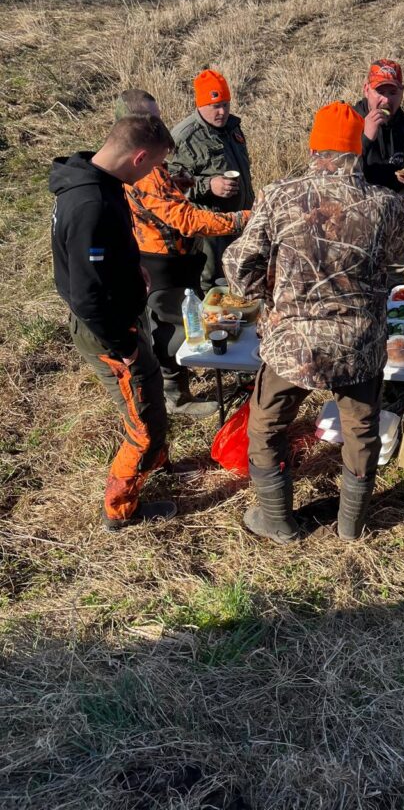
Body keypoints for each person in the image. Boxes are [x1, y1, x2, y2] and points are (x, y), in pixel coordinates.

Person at [224, 101, 404, 544]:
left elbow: (239, 267)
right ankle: (352, 526)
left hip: (293, 341)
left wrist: (271, 298)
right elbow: (396, 265)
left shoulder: (278, 195)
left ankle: (277, 521)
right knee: (361, 429)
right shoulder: (388, 204)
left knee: (268, 425)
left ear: (314, 150)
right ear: (357, 151)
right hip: (358, 343)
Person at [50, 115, 185, 530]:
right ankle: (121, 508)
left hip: (123, 316)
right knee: (142, 421)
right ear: (139, 157)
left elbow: (96, 261)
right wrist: (121, 346)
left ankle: (157, 463)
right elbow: (86, 295)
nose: (150, 175)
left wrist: (131, 268)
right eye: (152, 165)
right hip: (109, 331)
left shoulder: (98, 181)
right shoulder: (90, 204)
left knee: (153, 398)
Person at [117, 89, 250, 417]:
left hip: (170, 255)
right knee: (173, 328)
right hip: (160, 261)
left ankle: (177, 383)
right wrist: (241, 219)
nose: (160, 124)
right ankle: (175, 395)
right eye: (152, 119)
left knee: (180, 320)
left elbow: (160, 200)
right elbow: (186, 219)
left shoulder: (145, 161)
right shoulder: (145, 170)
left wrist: (178, 184)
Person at [168, 69, 254, 291]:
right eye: (215, 106)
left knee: (240, 276)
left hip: (241, 220)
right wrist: (209, 185)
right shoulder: (185, 137)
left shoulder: (232, 127)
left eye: (225, 104)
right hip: (209, 230)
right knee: (212, 284)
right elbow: (170, 187)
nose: (222, 112)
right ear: (200, 105)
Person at [354, 59, 404, 287]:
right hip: (357, 215)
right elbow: (336, 170)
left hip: (396, 215)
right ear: (366, 90)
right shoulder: (350, 120)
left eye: (393, 92)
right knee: (359, 277)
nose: (386, 100)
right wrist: (366, 138)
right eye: (380, 92)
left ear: (402, 92)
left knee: (393, 279)